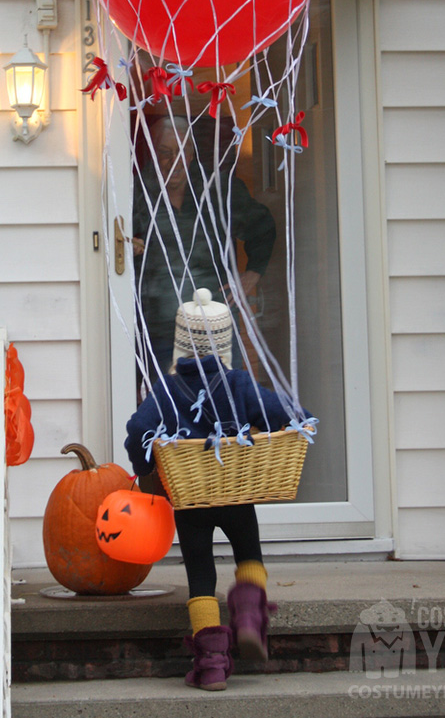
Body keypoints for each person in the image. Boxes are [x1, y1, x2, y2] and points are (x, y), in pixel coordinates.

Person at [124, 289, 296, 692]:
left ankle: (213, 663)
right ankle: (250, 617)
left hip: (190, 499)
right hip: (236, 492)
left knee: (200, 574)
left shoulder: (166, 390)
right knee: (248, 553)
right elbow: (285, 414)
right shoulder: (239, 383)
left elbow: (137, 430)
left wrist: (145, 466)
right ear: (224, 343)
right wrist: (288, 428)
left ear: (181, 342)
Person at [132, 115, 275, 374]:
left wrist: (253, 273)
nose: (173, 161)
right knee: (164, 406)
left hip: (215, 325)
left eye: (181, 152)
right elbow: (115, 246)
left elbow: (262, 227)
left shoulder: (218, 189)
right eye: (164, 153)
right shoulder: (137, 192)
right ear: (152, 155)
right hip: (157, 328)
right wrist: (131, 247)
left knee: (224, 399)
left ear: (192, 154)